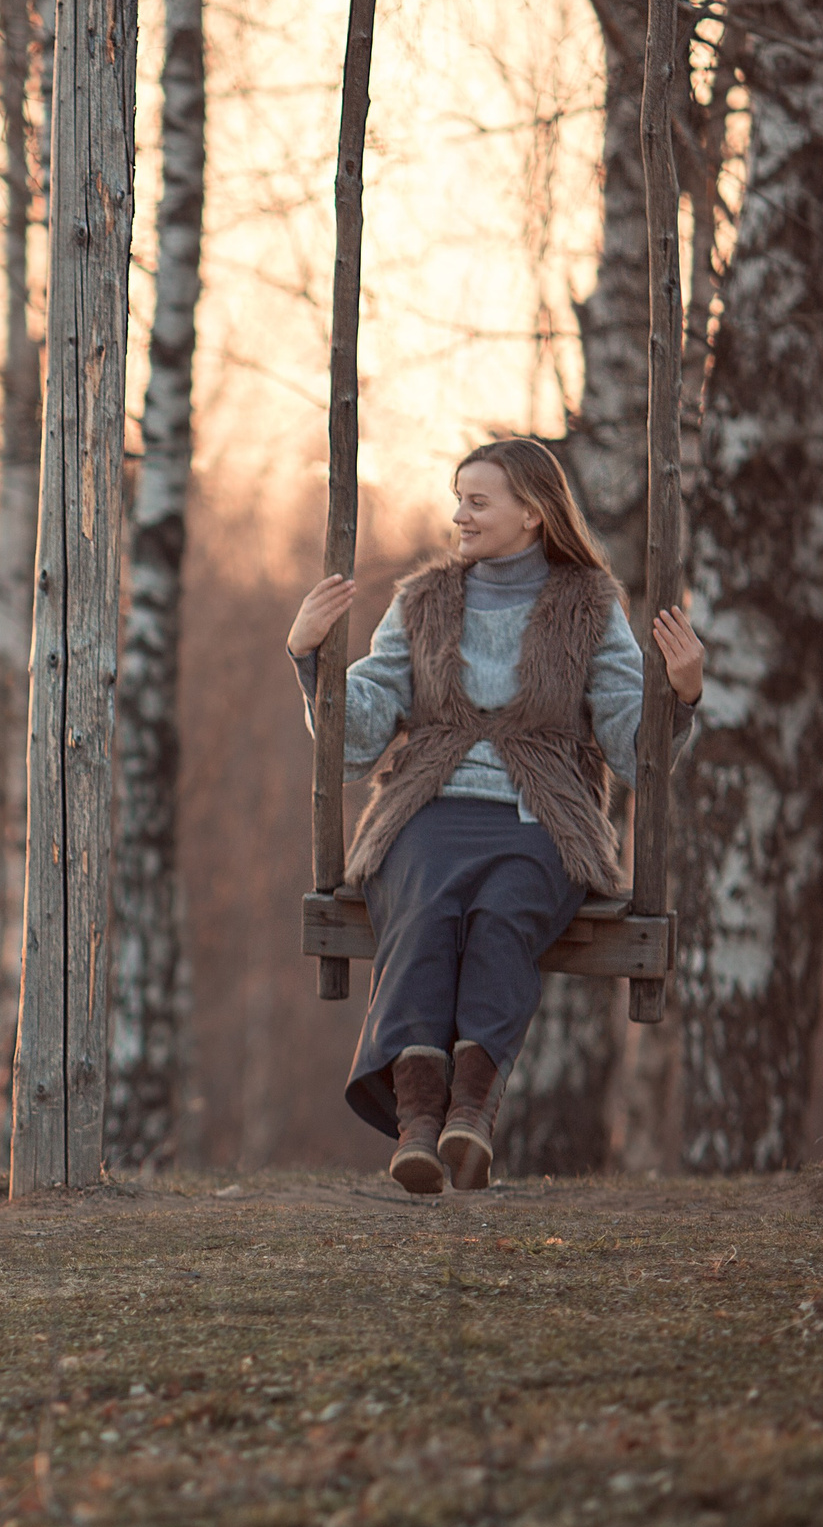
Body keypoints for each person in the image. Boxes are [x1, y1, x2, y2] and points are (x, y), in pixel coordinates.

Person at [285, 439, 703, 1194]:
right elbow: (359, 734)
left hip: (539, 817)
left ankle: (470, 1113)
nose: (459, 515)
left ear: (533, 514)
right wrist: (311, 658)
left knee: (504, 911)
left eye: (478, 501)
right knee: (421, 911)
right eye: (458, 498)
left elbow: (634, 747)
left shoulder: (588, 604)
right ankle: (417, 1125)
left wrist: (680, 690)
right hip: (429, 808)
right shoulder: (422, 602)